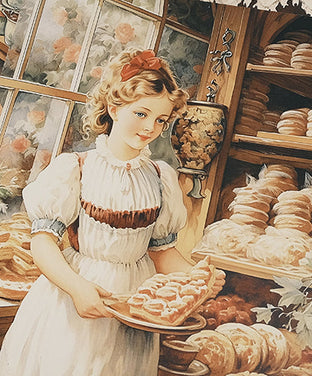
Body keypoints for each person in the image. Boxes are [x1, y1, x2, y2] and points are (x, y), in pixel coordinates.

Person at [0, 48, 192, 375]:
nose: (150, 128)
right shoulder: (76, 168)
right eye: (141, 114)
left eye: (161, 120)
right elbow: (42, 242)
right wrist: (77, 288)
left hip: (132, 308)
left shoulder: (161, 178)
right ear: (114, 108)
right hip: (72, 300)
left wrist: (198, 282)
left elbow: (163, 254)